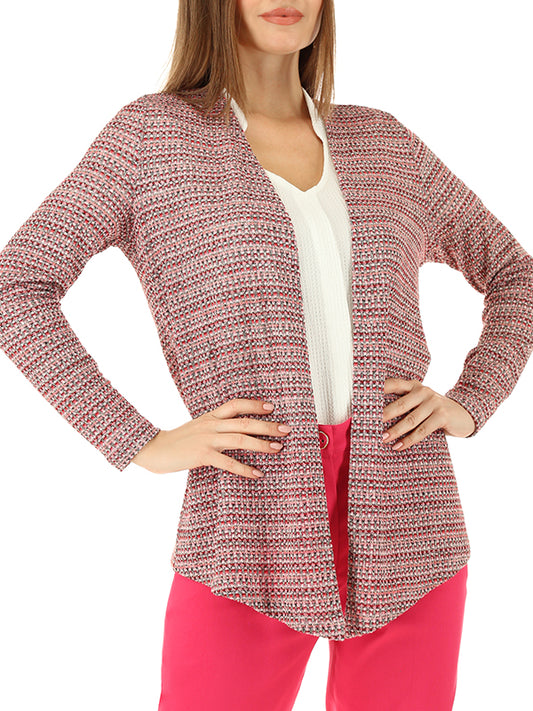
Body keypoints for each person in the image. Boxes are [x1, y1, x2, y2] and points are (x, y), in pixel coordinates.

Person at [1, 1, 532, 710]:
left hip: (408, 514)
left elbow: (516, 274)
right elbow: (17, 284)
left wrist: (471, 400)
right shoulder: (151, 139)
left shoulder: (383, 144)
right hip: (249, 513)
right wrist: (138, 440)